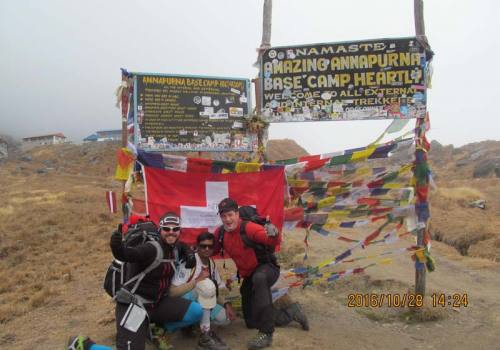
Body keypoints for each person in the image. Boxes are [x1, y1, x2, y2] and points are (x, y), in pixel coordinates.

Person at [67, 212, 203, 350]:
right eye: (166, 229)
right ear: (160, 230)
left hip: (157, 303)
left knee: (196, 312)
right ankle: (84, 345)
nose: (171, 232)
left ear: (180, 231)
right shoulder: (151, 249)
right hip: (134, 305)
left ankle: (156, 330)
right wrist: (117, 247)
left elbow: (182, 246)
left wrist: (189, 254)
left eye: (175, 229)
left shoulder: (174, 248)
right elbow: (129, 254)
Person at [214, 198, 308, 350]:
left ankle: (266, 333)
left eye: (230, 215)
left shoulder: (249, 228)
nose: (227, 219)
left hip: (267, 268)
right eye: (224, 216)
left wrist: (274, 233)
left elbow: (272, 241)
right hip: (249, 274)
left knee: (260, 278)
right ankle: (291, 312)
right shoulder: (220, 233)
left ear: (237, 214)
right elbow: (211, 249)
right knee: (251, 322)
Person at [167, 232, 232, 350]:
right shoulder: (189, 261)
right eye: (203, 246)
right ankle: (205, 336)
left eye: (210, 246)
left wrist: (226, 304)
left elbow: (212, 292)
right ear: (197, 246)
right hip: (181, 301)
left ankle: (191, 326)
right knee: (204, 286)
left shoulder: (211, 263)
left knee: (224, 318)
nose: (207, 249)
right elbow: (172, 292)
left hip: (201, 299)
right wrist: (196, 281)